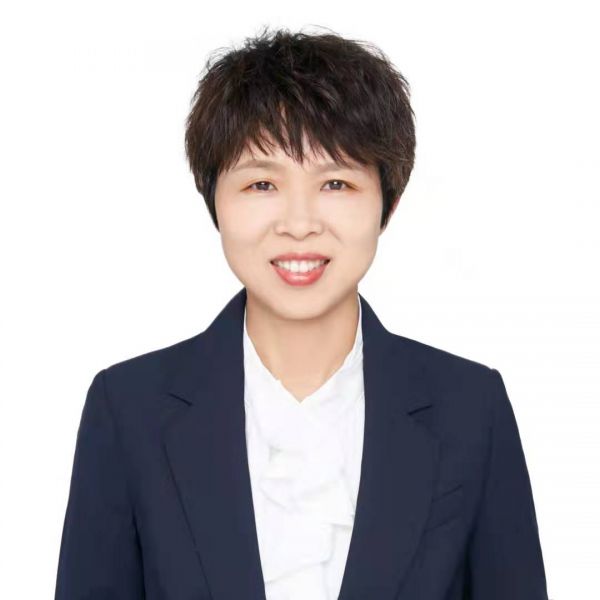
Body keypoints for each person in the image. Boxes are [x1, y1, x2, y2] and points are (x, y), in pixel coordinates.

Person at [54, 26, 549, 599]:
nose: (298, 224)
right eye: (262, 184)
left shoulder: (470, 408)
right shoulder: (128, 409)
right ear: (215, 200)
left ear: (387, 203)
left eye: (335, 183)